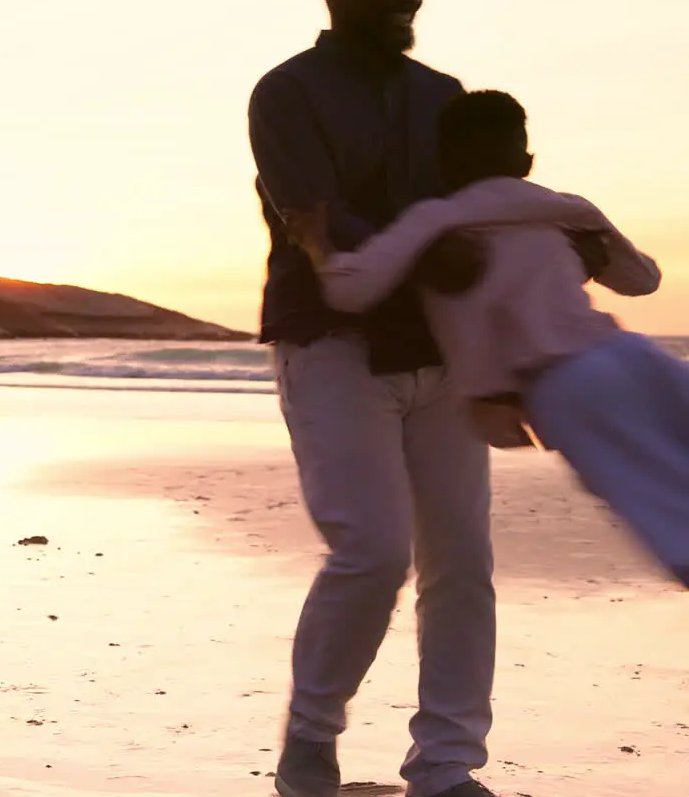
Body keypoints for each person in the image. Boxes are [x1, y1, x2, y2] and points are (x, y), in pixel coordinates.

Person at [249, 0, 599, 797]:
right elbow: (312, 217)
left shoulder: (444, 97)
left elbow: (486, 206)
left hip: (446, 355)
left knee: (462, 561)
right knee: (372, 551)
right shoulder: (285, 93)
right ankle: (313, 735)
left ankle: (445, 769)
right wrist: (430, 257)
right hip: (330, 343)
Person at [292, 90, 688, 590]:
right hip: (633, 357)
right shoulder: (568, 210)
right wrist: (595, 252)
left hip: (565, 386)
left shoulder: (436, 217)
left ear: (443, 162)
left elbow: (351, 291)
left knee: (668, 518)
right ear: (526, 160)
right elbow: (643, 280)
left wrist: (315, 242)